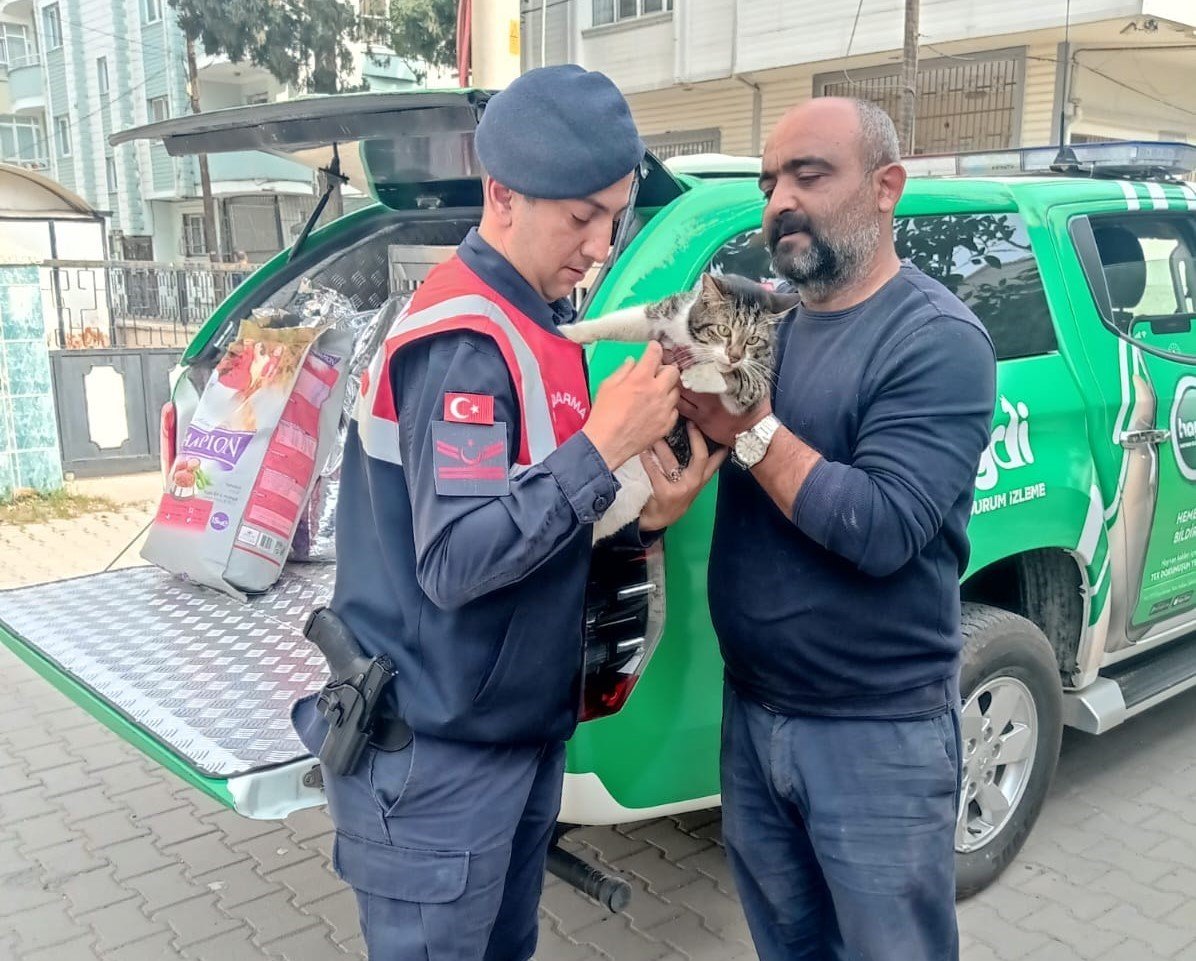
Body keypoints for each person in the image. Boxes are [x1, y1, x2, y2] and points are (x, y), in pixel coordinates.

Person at [291, 65, 723, 961]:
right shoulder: (465, 336)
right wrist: (603, 446)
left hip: (511, 737)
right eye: (580, 217)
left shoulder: (535, 322)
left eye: (613, 215)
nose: (601, 244)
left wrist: (644, 521)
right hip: (437, 760)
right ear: (502, 194)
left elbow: (533, 527)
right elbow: (457, 559)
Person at [680, 97, 997, 961]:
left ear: (886, 187)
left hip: (875, 739)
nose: (781, 198)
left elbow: (882, 526)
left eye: (809, 174)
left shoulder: (936, 340)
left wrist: (746, 426)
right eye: (769, 181)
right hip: (753, 715)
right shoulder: (773, 324)